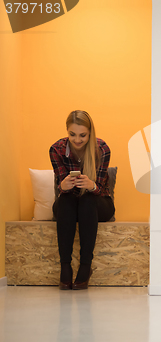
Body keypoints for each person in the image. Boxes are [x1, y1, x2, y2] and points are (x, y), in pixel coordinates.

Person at [50, 110, 115, 290]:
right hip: (69, 203)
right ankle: (65, 267)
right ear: (67, 131)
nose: (77, 140)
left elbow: (101, 189)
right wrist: (63, 186)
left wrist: (91, 185)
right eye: (72, 134)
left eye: (83, 135)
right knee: (66, 201)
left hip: (99, 202)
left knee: (87, 200)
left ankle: (85, 266)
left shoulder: (102, 149)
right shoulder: (57, 149)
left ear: (90, 132)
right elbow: (60, 185)